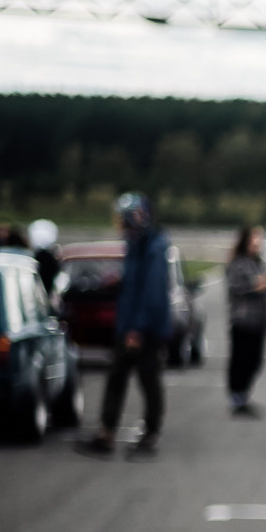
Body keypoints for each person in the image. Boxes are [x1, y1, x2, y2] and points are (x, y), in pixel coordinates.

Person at [75, 194, 173, 461]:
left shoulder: (154, 248)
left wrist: (137, 330)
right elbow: (134, 284)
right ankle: (106, 433)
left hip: (142, 330)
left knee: (148, 380)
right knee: (117, 377)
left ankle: (150, 433)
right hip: (130, 324)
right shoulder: (136, 245)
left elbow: (152, 293)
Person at [222, 226, 266, 420]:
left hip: (259, 320)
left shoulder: (259, 263)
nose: (258, 243)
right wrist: (262, 283)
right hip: (242, 320)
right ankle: (237, 397)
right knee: (240, 360)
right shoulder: (238, 263)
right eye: (255, 239)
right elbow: (244, 286)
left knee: (255, 360)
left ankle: (244, 394)